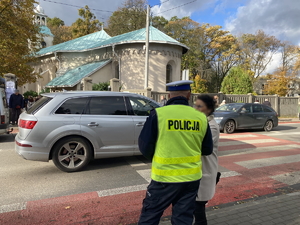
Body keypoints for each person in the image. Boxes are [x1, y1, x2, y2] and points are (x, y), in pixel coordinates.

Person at [138, 80, 213, 225]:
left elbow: (145, 147)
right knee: (183, 219)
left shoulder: (158, 114)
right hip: (191, 179)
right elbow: (207, 149)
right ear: (189, 95)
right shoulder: (201, 117)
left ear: (169, 95)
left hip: (164, 178)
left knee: (149, 217)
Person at [193, 95, 220, 225]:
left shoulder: (212, 127)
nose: (196, 108)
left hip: (206, 171)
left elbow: (198, 146)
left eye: (199, 106)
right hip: (198, 171)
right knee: (195, 207)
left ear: (209, 109)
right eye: (195, 105)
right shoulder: (201, 122)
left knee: (198, 208)